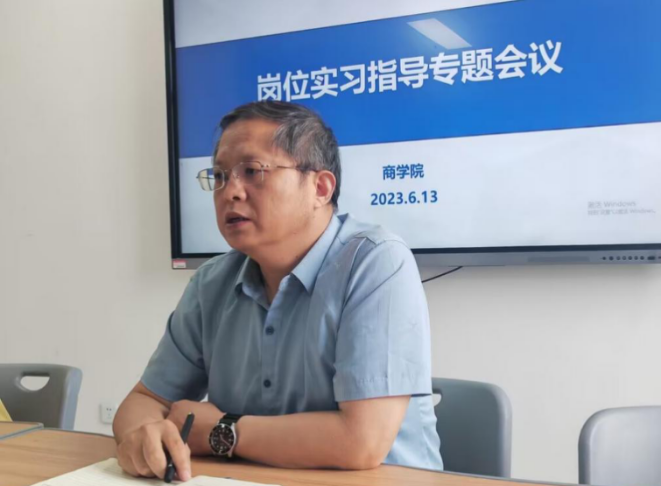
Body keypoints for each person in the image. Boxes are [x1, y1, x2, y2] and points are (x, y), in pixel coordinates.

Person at [113, 101, 443, 481]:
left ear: (320, 188)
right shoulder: (211, 282)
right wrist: (145, 436)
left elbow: (360, 442)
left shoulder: (375, 262)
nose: (230, 192)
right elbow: (145, 401)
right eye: (219, 176)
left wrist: (223, 431)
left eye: (252, 171)